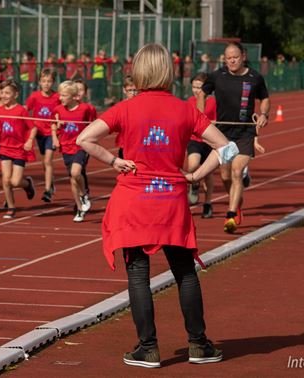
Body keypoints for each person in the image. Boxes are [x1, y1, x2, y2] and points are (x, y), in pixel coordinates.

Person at [77, 42, 233, 369]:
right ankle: (199, 344)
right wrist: (195, 175)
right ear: (168, 70)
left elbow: (84, 139)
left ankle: (147, 348)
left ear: (138, 70)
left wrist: (114, 161)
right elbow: (226, 148)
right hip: (170, 199)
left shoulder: (125, 107)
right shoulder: (185, 109)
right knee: (185, 271)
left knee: (138, 274)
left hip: (133, 199)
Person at [197, 41, 270, 233]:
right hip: (223, 133)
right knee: (225, 176)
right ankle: (236, 202)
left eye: (235, 57)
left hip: (245, 133)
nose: (231, 61)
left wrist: (264, 115)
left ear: (243, 56)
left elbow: (264, 99)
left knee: (238, 172)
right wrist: (201, 115)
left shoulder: (255, 77)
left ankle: (230, 216)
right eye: (228, 58)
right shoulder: (217, 76)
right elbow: (202, 94)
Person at [51, 81, 95, 222]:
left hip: (80, 146)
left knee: (76, 172)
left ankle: (83, 195)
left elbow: (94, 125)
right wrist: (55, 137)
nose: (60, 98)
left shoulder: (86, 109)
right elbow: (53, 125)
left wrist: (91, 141)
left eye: (64, 95)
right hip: (66, 146)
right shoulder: (58, 110)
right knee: (73, 179)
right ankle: (80, 208)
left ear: (74, 96)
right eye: (60, 95)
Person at [0, 79, 37, 219]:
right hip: (5, 149)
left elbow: (33, 127)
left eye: (8, 93)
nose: (4, 95)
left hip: (19, 149)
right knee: (6, 180)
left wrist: (30, 140)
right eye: (2, 92)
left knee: (15, 182)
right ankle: (11, 207)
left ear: (15, 95)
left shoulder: (21, 110)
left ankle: (27, 184)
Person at [26, 68, 60, 203]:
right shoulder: (34, 96)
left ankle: (47, 191)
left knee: (48, 160)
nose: (46, 84)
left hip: (51, 132)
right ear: (40, 82)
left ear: (53, 82)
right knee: (44, 162)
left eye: (49, 81)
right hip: (38, 133)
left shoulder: (57, 97)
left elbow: (61, 110)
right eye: (44, 81)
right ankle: (50, 182)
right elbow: (25, 110)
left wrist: (58, 123)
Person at [187, 73, 217, 218]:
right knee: (192, 166)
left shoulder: (212, 102)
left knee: (209, 173)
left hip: (209, 141)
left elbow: (217, 119)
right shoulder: (189, 101)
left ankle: (208, 203)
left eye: (199, 87)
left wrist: (213, 123)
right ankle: (194, 183)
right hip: (194, 139)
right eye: (194, 87)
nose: (196, 90)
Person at [115, 75, 137, 159]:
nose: (133, 93)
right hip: (124, 144)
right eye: (130, 90)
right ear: (124, 90)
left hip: (138, 144)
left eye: (135, 90)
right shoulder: (120, 106)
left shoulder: (142, 105)